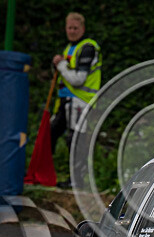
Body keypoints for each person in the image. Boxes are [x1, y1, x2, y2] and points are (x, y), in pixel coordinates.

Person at [50, 12, 102, 188]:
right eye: (69, 28)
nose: (71, 31)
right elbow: (64, 77)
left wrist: (61, 65)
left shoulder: (88, 47)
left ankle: (76, 181)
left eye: (75, 28)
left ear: (82, 29)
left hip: (81, 101)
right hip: (65, 101)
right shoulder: (69, 48)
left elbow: (77, 79)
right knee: (51, 134)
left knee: (75, 140)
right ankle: (45, 173)